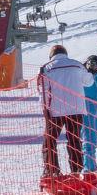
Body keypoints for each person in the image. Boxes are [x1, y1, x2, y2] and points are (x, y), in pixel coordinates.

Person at [37, 45, 88, 177]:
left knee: (49, 140)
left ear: (51, 55)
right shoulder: (77, 65)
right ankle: (77, 170)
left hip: (56, 110)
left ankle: (52, 170)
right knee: (74, 139)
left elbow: (44, 90)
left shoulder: (46, 68)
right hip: (76, 109)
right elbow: (89, 82)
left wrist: (45, 108)